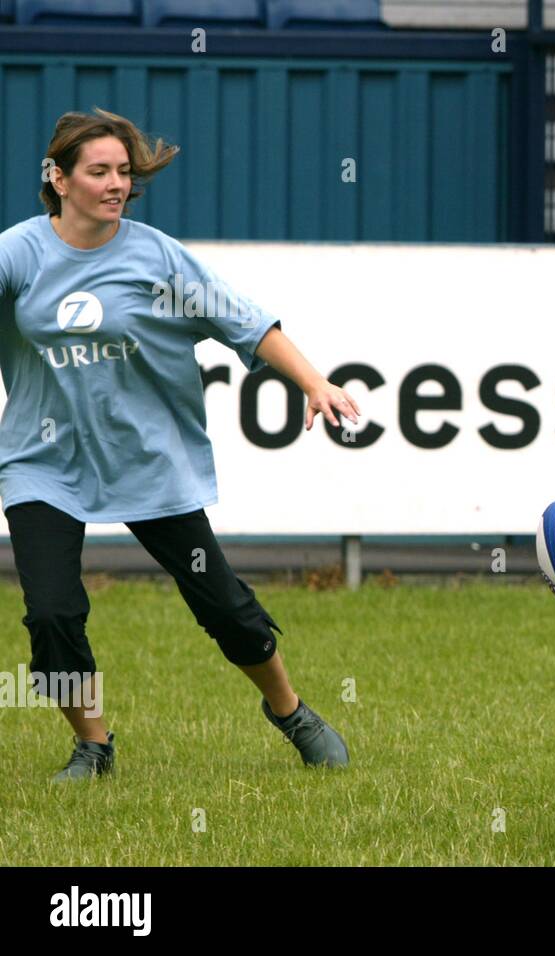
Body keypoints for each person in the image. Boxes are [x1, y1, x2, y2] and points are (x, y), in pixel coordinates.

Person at [0, 108, 355, 781]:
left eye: (123, 172)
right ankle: (93, 746)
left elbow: (244, 323)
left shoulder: (155, 255)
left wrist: (314, 381)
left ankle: (291, 710)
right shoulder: (18, 252)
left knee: (222, 603)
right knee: (51, 612)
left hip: (145, 460)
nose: (115, 184)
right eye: (98, 171)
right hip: (42, 465)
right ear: (58, 178)